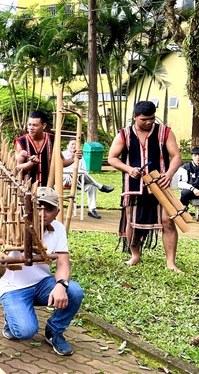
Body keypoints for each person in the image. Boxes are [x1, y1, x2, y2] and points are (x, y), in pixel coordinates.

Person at [0, 186, 84, 356]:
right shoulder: (12, 224)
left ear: (57, 212)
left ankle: (54, 332)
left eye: (49, 209)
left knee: (74, 291)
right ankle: (11, 319)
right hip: (13, 287)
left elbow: (63, 264)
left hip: (42, 284)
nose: (42, 212)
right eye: (38, 206)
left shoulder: (58, 228)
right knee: (24, 331)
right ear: (28, 206)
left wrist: (61, 284)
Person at [107, 101, 182, 272]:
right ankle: (135, 255)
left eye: (152, 118)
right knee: (131, 222)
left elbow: (176, 156)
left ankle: (171, 262)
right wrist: (128, 169)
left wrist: (168, 174)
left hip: (161, 184)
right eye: (144, 119)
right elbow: (112, 158)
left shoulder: (165, 132)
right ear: (134, 117)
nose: (149, 122)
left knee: (168, 221)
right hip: (133, 185)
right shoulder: (124, 134)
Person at [15, 111, 78, 186]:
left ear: (44, 125)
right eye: (29, 125)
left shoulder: (53, 139)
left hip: (48, 187)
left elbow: (61, 162)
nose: (31, 128)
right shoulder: (21, 141)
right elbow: (18, 167)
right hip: (26, 188)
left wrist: (73, 158)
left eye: (35, 125)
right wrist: (31, 163)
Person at [62, 139, 114, 219]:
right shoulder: (63, 154)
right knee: (77, 172)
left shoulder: (80, 157)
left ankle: (91, 210)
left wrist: (79, 172)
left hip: (79, 180)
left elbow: (84, 170)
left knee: (91, 186)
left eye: (76, 144)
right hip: (67, 179)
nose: (74, 146)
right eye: (72, 144)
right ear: (67, 146)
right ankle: (100, 186)